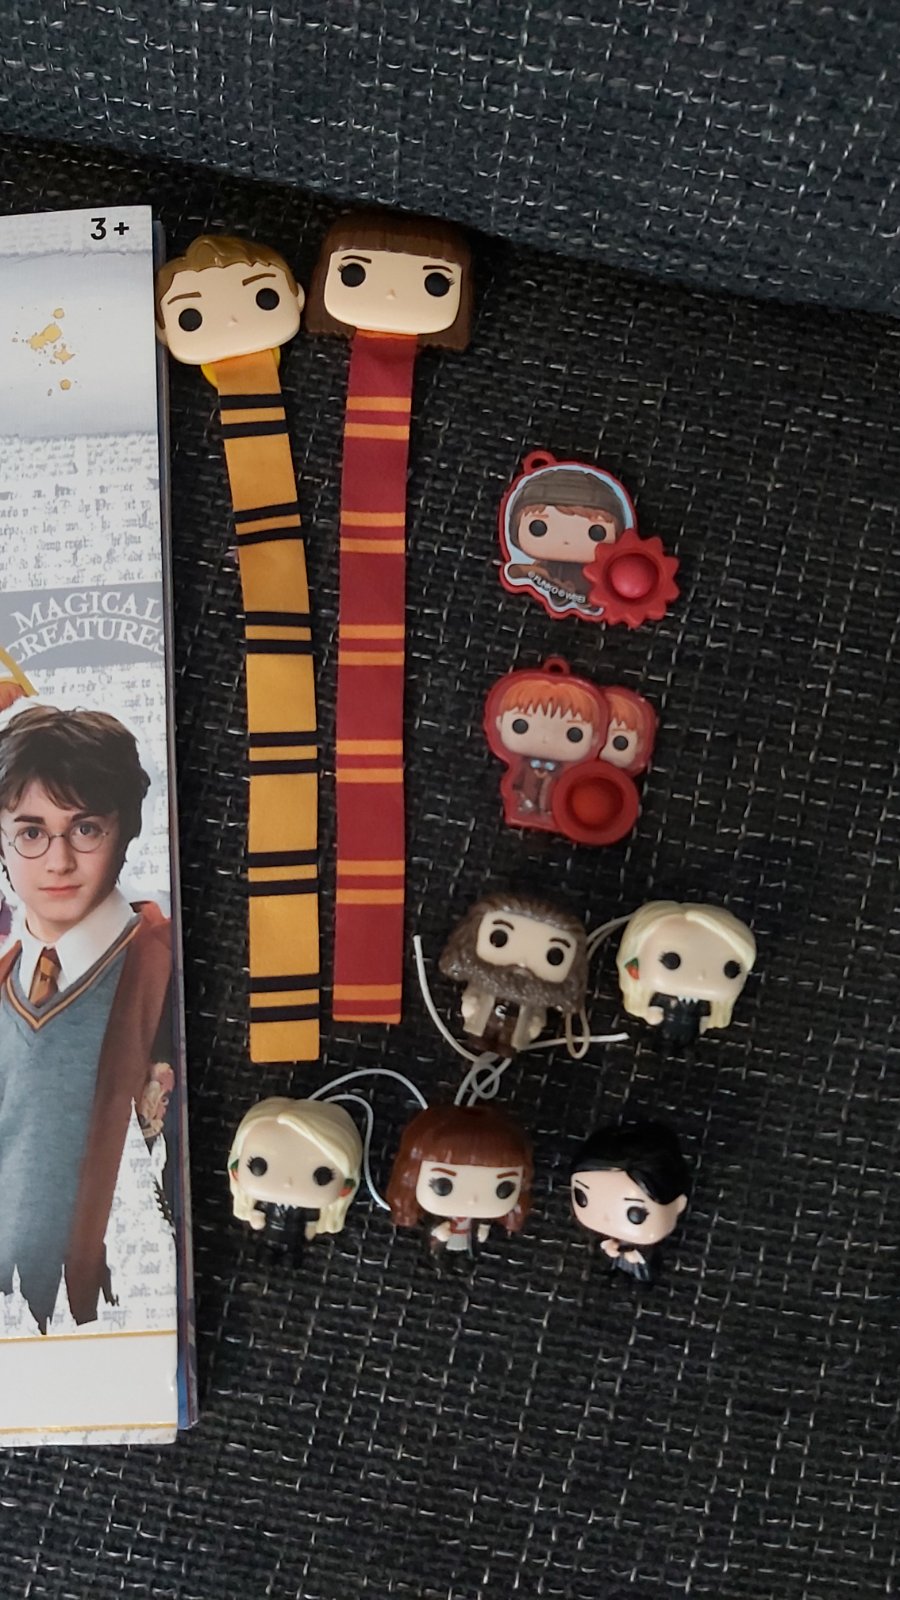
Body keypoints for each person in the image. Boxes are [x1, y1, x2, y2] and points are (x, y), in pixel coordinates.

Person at [0, 704, 174, 1331]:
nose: (58, 861)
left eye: (86, 829)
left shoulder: (164, 966)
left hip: (114, 1315)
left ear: (126, 829)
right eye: (31, 833)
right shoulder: (6, 980)